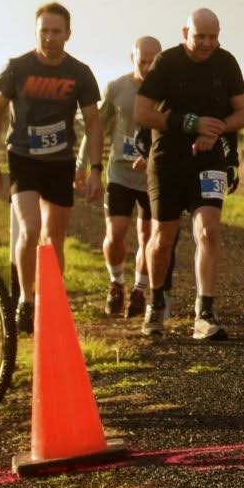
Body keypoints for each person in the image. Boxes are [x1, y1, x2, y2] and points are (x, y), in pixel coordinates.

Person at [0, 3, 105, 331]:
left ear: (68, 34)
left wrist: (96, 168)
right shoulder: (16, 68)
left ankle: (51, 301)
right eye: (44, 31)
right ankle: (26, 298)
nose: (50, 38)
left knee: (54, 236)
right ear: (36, 32)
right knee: (31, 228)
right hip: (23, 157)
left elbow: (93, 121)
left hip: (60, 161)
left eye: (56, 31)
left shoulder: (79, 73)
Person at [135, 10, 244, 342]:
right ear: (185, 31)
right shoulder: (166, 62)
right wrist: (190, 123)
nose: (206, 43)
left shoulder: (226, 62)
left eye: (213, 37)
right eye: (200, 36)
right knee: (162, 238)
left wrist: (216, 129)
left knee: (208, 231)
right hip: (168, 158)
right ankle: (156, 303)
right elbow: (142, 113)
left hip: (209, 158)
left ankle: (204, 313)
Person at [98, 36, 162, 319]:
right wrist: (87, 166)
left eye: (153, 61)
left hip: (152, 175)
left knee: (148, 237)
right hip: (120, 173)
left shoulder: (168, 91)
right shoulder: (116, 88)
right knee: (116, 234)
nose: (148, 67)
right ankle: (116, 283)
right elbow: (97, 127)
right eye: (142, 60)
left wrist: (152, 156)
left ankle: (139, 290)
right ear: (132, 57)